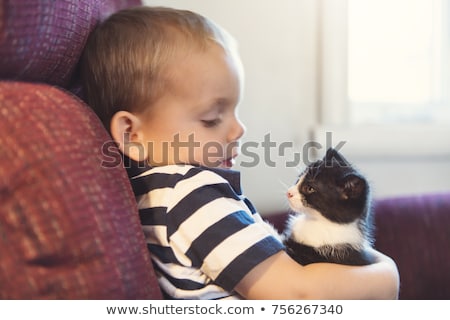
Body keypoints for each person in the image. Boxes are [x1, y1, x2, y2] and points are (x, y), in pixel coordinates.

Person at [81, 6, 399, 299]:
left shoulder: (158, 193)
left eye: (235, 110)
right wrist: (387, 275)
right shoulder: (192, 197)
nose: (238, 130)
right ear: (132, 134)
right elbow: (297, 295)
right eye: (211, 119)